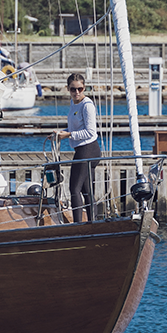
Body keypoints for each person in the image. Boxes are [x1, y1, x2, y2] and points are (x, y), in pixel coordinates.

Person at [55, 73, 100, 222]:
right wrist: (60, 132)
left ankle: (77, 226)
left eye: (80, 89)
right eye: (73, 89)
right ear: (68, 89)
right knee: (86, 190)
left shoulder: (87, 106)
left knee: (74, 189)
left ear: (84, 88)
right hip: (84, 149)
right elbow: (74, 126)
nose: (77, 92)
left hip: (88, 149)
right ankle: (93, 223)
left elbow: (90, 132)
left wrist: (68, 135)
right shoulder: (73, 103)